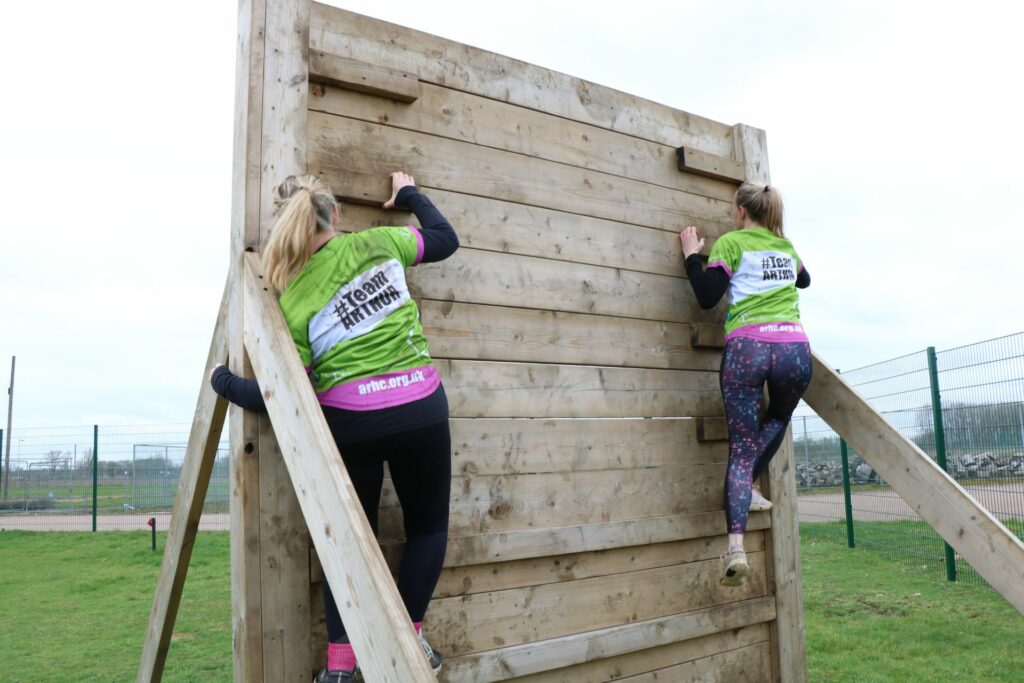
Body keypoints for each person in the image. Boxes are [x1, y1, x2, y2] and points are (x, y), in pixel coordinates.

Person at [210, 171, 458, 682]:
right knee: (428, 528)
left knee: (345, 542)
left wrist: (224, 382)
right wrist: (407, 193)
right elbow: (445, 240)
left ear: (293, 226)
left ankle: (341, 668)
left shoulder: (293, 294)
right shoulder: (379, 241)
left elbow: (277, 396)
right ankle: (410, 644)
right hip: (421, 407)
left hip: (352, 424)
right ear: (335, 214)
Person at [678, 181, 811, 587]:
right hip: (792, 348)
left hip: (748, 348)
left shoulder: (731, 244)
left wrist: (690, 257)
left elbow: (707, 296)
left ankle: (735, 546)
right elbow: (804, 281)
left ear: (740, 212)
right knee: (780, 416)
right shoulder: (786, 247)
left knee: (739, 450)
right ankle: (748, 482)